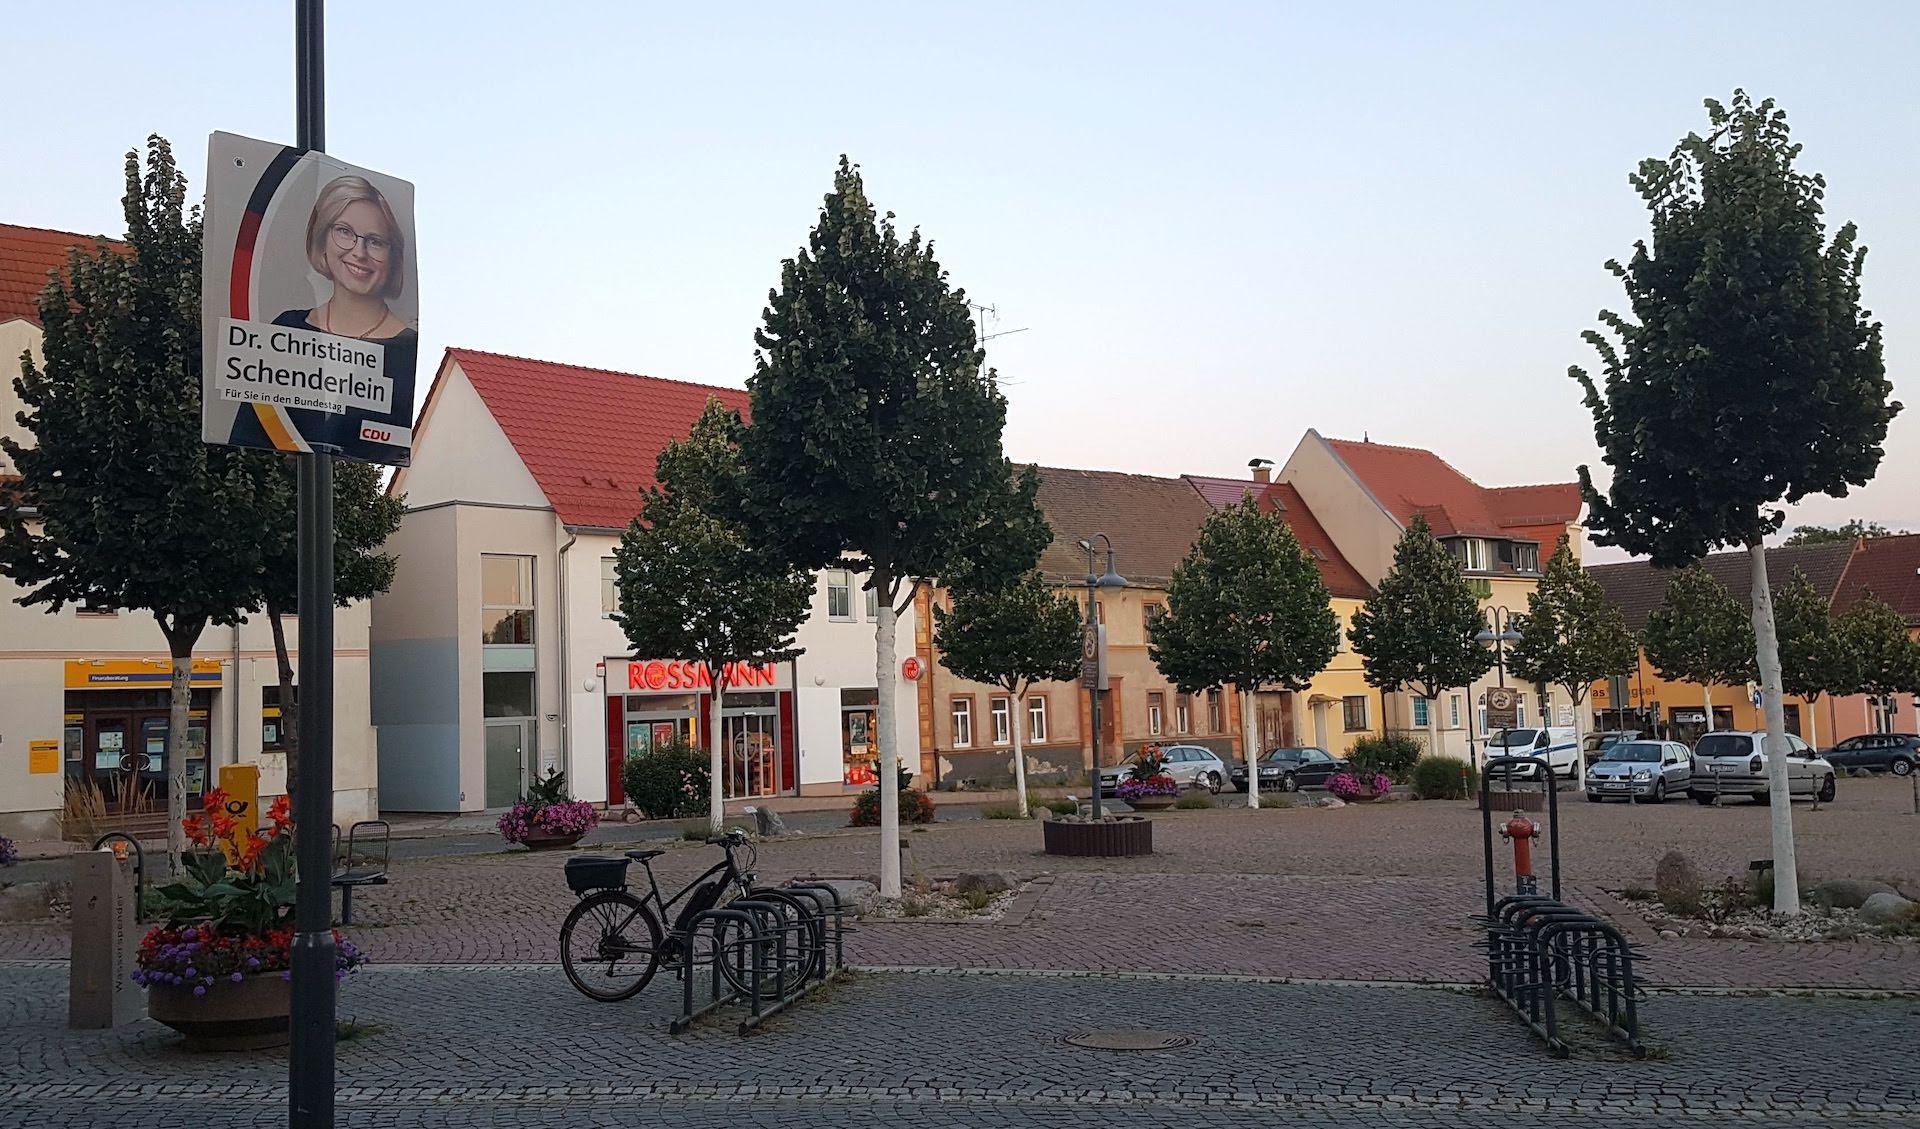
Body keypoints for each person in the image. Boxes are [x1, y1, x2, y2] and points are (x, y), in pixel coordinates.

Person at [273, 174, 418, 384]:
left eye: (375, 241)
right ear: (321, 239)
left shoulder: (407, 349)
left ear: (393, 256)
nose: (359, 252)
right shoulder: (287, 329)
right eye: (344, 231)